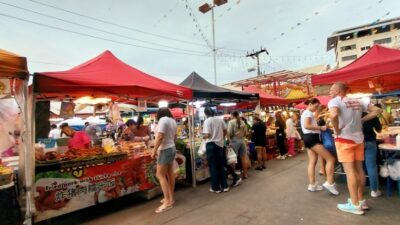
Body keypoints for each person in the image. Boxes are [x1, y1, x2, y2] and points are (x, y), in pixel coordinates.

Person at [328, 82, 382, 215]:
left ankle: (354, 204)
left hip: (344, 139)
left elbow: (333, 115)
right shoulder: (357, 101)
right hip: (359, 139)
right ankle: (361, 200)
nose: (330, 92)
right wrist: (362, 120)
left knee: (350, 171)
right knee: (359, 169)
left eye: (331, 89)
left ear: (338, 90)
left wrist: (336, 129)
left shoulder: (334, 101)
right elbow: (377, 110)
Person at [301, 98, 339, 195]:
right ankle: (330, 183)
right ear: (310, 104)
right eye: (316, 106)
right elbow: (307, 125)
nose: (316, 108)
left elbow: (310, 121)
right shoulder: (308, 113)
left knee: (312, 161)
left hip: (307, 138)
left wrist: (319, 111)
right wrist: (320, 127)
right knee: (330, 159)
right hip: (312, 138)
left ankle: (312, 184)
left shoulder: (307, 113)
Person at [151, 108, 177, 213]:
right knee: (170, 174)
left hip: (165, 149)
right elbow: (175, 137)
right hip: (171, 148)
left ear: (159, 114)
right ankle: (171, 198)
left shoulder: (162, 120)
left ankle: (167, 202)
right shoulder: (172, 121)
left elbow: (160, 136)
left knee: (160, 175)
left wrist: (154, 150)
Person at [203, 107, 230, 193]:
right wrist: (220, 138)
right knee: (221, 166)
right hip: (220, 145)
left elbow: (207, 135)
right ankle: (225, 186)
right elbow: (225, 131)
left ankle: (216, 188)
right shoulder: (220, 120)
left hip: (211, 145)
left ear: (206, 114)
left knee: (213, 167)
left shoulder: (207, 121)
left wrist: (202, 136)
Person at [362, 111, 382, 198]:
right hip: (370, 142)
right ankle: (374, 191)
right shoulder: (371, 115)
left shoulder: (353, 113)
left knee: (358, 168)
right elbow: (379, 129)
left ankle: (359, 190)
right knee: (371, 167)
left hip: (357, 143)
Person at [228, 111, 249, 179]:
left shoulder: (231, 122)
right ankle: (245, 174)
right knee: (243, 158)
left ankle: (233, 175)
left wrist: (229, 141)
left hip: (234, 141)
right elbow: (246, 132)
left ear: (232, 115)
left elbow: (229, 133)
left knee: (233, 159)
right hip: (242, 140)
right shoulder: (242, 121)